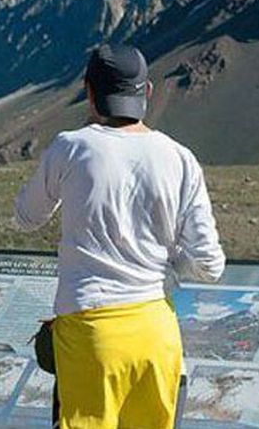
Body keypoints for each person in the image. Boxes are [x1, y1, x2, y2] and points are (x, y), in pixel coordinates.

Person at [14, 43, 226, 429]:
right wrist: (168, 265)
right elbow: (210, 264)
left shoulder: (70, 148)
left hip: (90, 333)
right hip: (157, 331)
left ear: (89, 92)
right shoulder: (180, 158)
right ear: (146, 92)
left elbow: (26, 216)